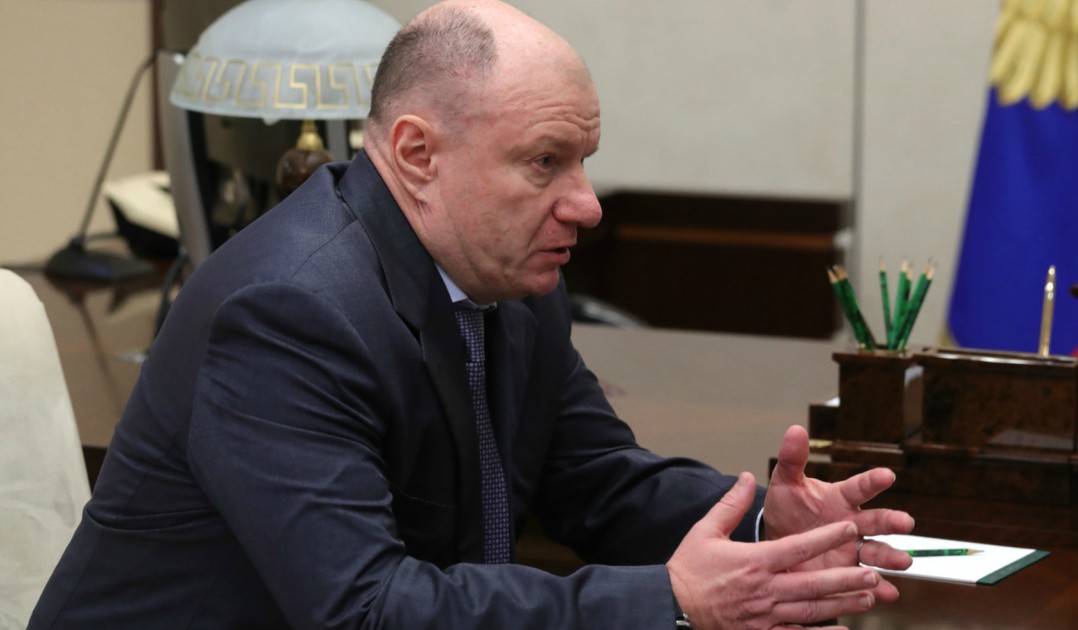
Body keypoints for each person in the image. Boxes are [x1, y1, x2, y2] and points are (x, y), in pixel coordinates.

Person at [30, 1, 914, 628]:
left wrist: (763, 527)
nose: (586, 204)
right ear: (417, 153)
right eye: (545, 162)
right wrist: (670, 598)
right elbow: (365, 609)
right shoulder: (287, 313)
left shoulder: (510, 281)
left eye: (584, 160)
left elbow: (596, 480)